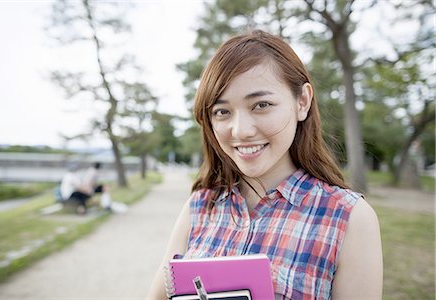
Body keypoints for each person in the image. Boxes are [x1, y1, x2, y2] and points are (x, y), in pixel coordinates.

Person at [147, 30, 383, 300]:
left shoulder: (349, 217)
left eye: (261, 104)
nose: (241, 131)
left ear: (302, 102)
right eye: (222, 112)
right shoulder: (200, 207)